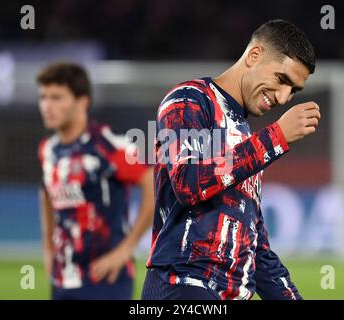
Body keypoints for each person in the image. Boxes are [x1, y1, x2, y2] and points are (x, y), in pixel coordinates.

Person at [142, 19, 320, 300]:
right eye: (282, 80)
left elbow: (256, 248)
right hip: (182, 284)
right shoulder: (189, 100)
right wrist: (275, 138)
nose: (284, 97)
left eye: (294, 90)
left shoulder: (245, 136)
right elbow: (188, 183)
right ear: (254, 56)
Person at [37, 62, 154, 300]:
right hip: (63, 278)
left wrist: (126, 249)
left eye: (57, 97)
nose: (47, 106)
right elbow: (46, 193)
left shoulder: (109, 146)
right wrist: (48, 248)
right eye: (43, 97)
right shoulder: (47, 150)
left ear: (82, 102)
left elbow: (153, 184)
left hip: (105, 280)